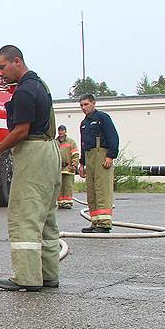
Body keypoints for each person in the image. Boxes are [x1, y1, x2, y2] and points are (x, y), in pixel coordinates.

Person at [0, 45, 61, 292]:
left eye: (2, 67)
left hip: (34, 154)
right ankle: (48, 274)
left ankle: (26, 277)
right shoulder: (40, 85)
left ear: (17, 61)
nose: (0, 74)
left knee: (25, 215)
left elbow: (21, 130)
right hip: (49, 152)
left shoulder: (25, 91)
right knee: (46, 217)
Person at [78, 94, 120, 233]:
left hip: (101, 154)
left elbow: (113, 137)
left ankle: (105, 223)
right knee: (91, 191)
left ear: (94, 103)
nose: (84, 107)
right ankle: (95, 221)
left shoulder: (102, 118)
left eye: (86, 104)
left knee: (102, 189)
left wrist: (110, 156)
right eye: (81, 105)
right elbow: (83, 144)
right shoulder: (84, 123)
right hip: (89, 156)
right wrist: (82, 164)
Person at [56, 125, 80, 209]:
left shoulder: (71, 142)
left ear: (65, 131)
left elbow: (75, 154)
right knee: (59, 186)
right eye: (59, 130)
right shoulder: (55, 142)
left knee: (68, 186)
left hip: (68, 168)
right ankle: (60, 202)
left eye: (62, 130)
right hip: (58, 168)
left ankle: (67, 202)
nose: (60, 132)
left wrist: (74, 164)